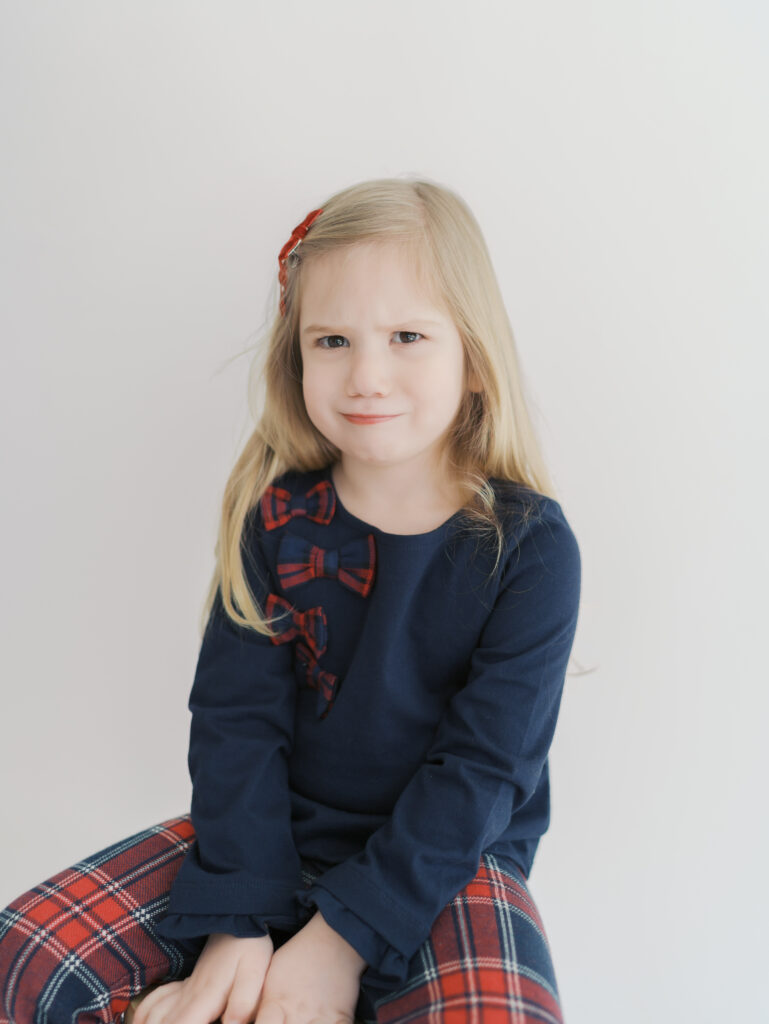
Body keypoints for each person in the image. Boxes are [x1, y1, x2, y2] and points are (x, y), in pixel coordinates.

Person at [0, 177, 582, 1024]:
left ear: (474, 355)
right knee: (28, 952)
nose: (366, 375)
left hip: (445, 863)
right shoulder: (276, 517)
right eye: (333, 339)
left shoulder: (528, 547)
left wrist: (335, 946)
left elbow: (482, 774)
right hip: (271, 838)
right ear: (297, 355)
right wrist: (237, 925)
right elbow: (237, 724)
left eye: (408, 335)